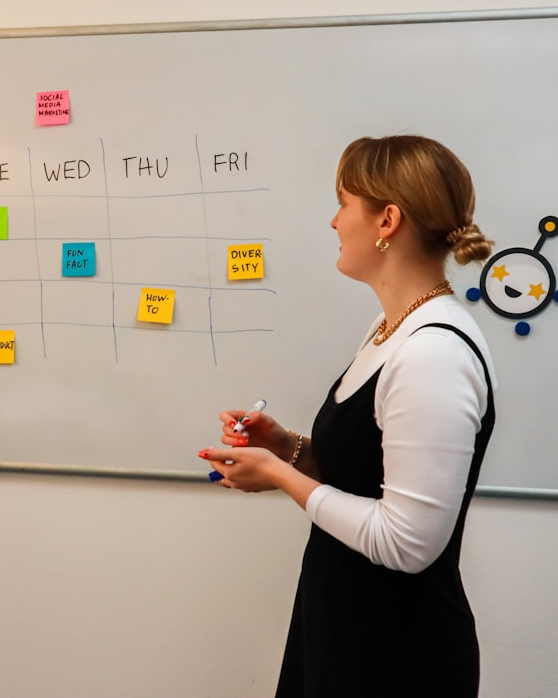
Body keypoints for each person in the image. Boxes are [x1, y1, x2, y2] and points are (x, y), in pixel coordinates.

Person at [201, 135, 496, 697]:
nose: (333, 221)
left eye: (343, 203)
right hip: (345, 627)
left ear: (387, 220)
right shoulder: (390, 329)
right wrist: (287, 447)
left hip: (396, 654)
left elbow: (406, 544)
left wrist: (278, 475)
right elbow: (366, 473)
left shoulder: (432, 352)